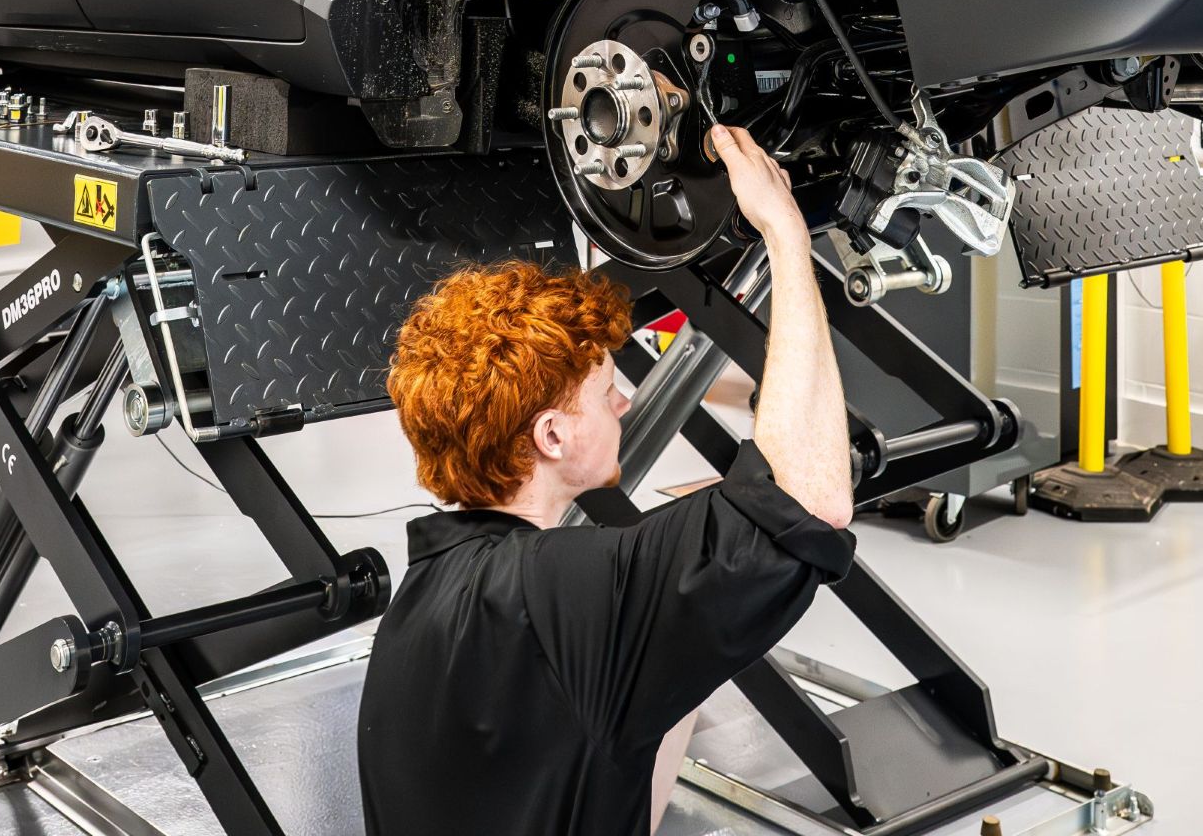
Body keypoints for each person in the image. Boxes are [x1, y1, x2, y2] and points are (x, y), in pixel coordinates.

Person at [358, 125, 855, 836]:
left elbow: (609, 765)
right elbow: (811, 500)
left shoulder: (426, 593)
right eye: (604, 390)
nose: (624, 401)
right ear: (551, 436)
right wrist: (787, 235)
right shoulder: (564, 594)